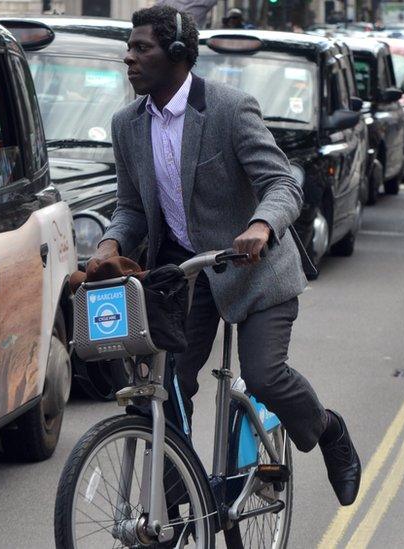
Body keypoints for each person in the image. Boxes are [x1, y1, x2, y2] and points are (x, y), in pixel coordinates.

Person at [88, 5, 362, 506]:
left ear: (177, 55)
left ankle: (328, 431)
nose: (128, 58)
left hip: (254, 273)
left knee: (264, 376)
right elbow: (130, 208)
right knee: (164, 391)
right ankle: (174, 511)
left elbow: (281, 183)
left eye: (140, 48)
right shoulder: (126, 124)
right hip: (186, 278)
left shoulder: (230, 109)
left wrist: (260, 225)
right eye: (128, 48)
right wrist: (109, 244)